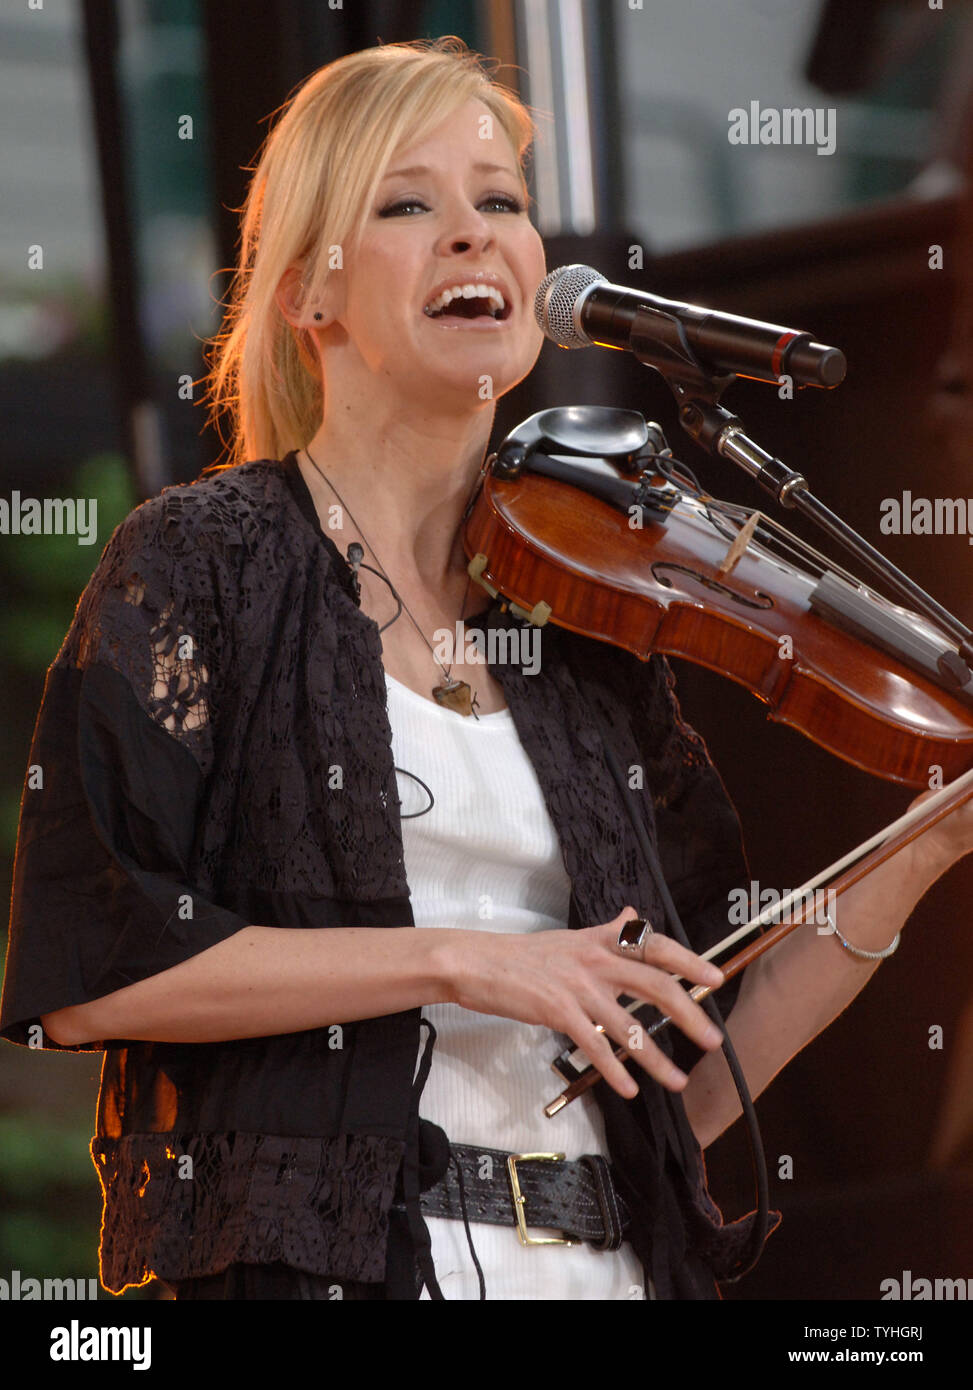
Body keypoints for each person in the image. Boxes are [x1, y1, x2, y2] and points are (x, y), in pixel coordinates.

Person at [1, 37, 970, 1303]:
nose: (476, 235)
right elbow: (95, 973)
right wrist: (469, 959)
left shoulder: (585, 622)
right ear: (308, 294)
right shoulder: (205, 565)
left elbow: (690, 1079)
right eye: (410, 204)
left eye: (501, 202)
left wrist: (923, 851)